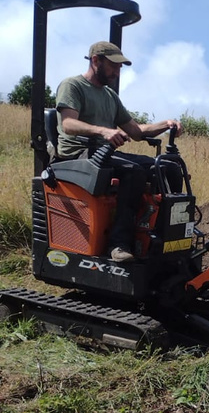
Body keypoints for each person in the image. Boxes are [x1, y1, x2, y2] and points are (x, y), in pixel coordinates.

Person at [55, 42, 183, 262]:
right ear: (96, 61)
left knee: (169, 167)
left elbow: (135, 131)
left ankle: (162, 236)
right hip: (79, 153)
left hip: (104, 153)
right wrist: (103, 131)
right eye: (113, 66)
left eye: (120, 67)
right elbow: (68, 124)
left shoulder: (109, 96)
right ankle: (119, 244)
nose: (117, 72)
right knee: (133, 172)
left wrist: (166, 124)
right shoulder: (73, 85)